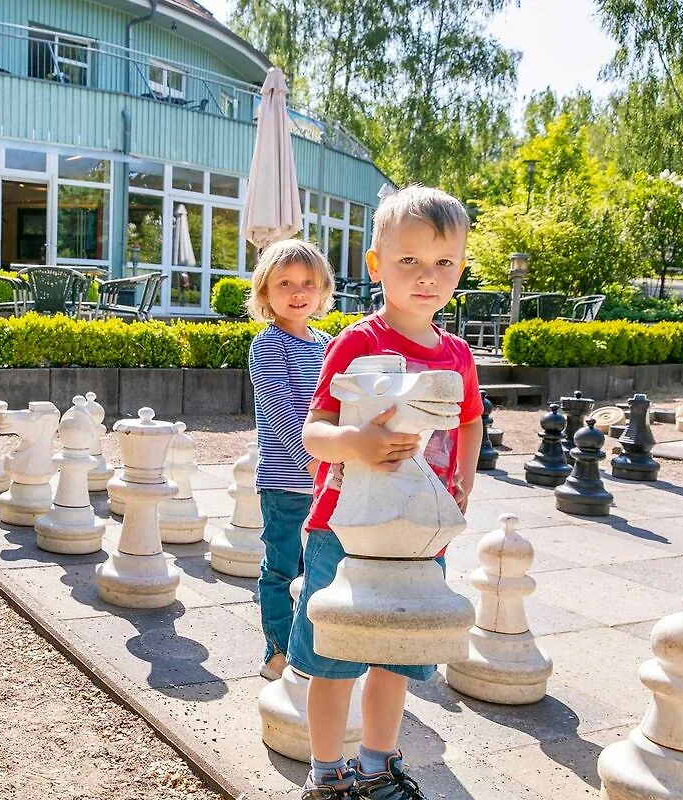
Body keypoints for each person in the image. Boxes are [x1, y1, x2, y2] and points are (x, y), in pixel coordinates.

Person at [291, 185, 483, 799]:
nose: (427, 276)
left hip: (421, 532)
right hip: (343, 530)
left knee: (396, 654)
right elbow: (313, 433)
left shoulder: (457, 354)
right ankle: (326, 774)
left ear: (461, 267)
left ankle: (376, 767)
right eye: (409, 261)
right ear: (376, 265)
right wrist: (357, 442)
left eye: (443, 262)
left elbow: (471, 421)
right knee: (335, 657)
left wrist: (464, 481)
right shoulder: (358, 343)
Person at [245, 239, 336, 682]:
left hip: (328, 478)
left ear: (322, 291)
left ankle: (311, 648)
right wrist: (313, 463)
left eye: (307, 283)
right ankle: (278, 651)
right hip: (286, 481)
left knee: (320, 570)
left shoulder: (328, 344)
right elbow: (280, 410)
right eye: (285, 283)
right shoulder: (268, 345)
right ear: (265, 292)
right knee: (282, 568)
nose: (298, 292)